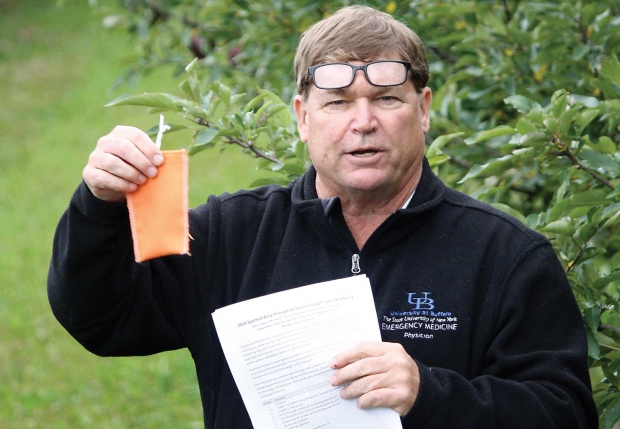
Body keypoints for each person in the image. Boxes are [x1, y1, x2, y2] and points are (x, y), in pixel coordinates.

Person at [48, 5, 598, 428]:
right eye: (337, 103)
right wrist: (99, 206)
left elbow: (563, 413)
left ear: (424, 110)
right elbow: (100, 319)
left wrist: (429, 395)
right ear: (302, 117)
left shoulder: (504, 255)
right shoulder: (229, 236)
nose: (363, 122)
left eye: (386, 99)